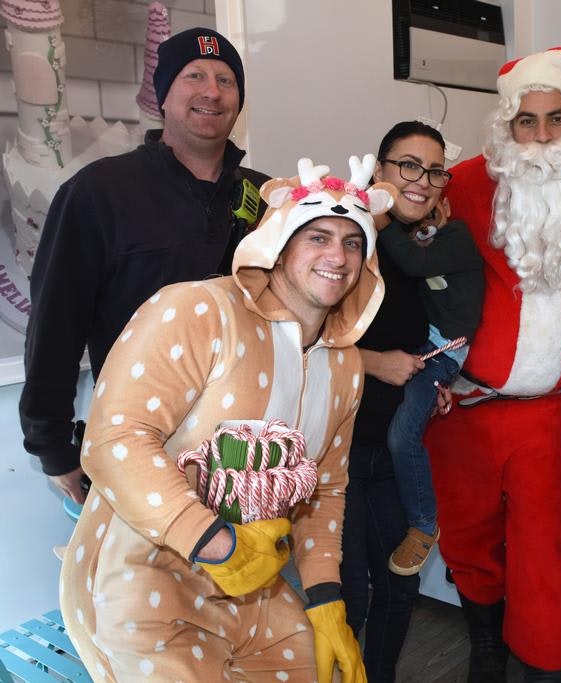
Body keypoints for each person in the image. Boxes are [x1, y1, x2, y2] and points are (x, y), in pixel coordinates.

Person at [58, 155, 392, 682]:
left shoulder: (347, 364)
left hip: (252, 592)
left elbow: (326, 488)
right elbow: (112, 439)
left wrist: (328, 601)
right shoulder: (198, 311)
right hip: (143, 574)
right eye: (318, 237)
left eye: (353, 242)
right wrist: (217, 543)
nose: (338, 255)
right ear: (278, 248)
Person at [425, 46, 561, 681]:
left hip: (553, 411)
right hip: (463, 404)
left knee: (546, 548)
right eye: (527, 121)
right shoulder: (460, 187)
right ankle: (485, 646)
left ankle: (546, 662)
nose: (542, 136)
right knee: (467, 536)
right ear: (507, 127)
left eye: (557, 120)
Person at [20, 27, 268, 505]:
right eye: (194, 75)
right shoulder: (98, 193)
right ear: (163, 94)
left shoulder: (265, 197)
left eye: (225, 79)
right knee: (139, 579)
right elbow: (55, 323)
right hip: (137, 444)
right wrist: (53, 447)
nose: (212, 91)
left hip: (246, 449)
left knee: (243, 575)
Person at [339, 121, 451, 682]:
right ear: (378, 170)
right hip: (335, 455)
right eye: (408, 165)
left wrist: (430, 380)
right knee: (347, 598)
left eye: (433, 171)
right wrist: (374, 362)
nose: (421, 180)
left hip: (388, 452)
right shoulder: (342, 242)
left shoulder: (409, 251)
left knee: (398, 586)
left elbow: (417, 338)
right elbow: (289, 338)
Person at [377, 162, 484, 577]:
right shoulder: (432, 235)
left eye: (433, 179)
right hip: (425, 346)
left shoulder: (457, 238)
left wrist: (382, 216)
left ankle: (423, 523)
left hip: (442, 353)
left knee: (402, 436)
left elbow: (413, 262)